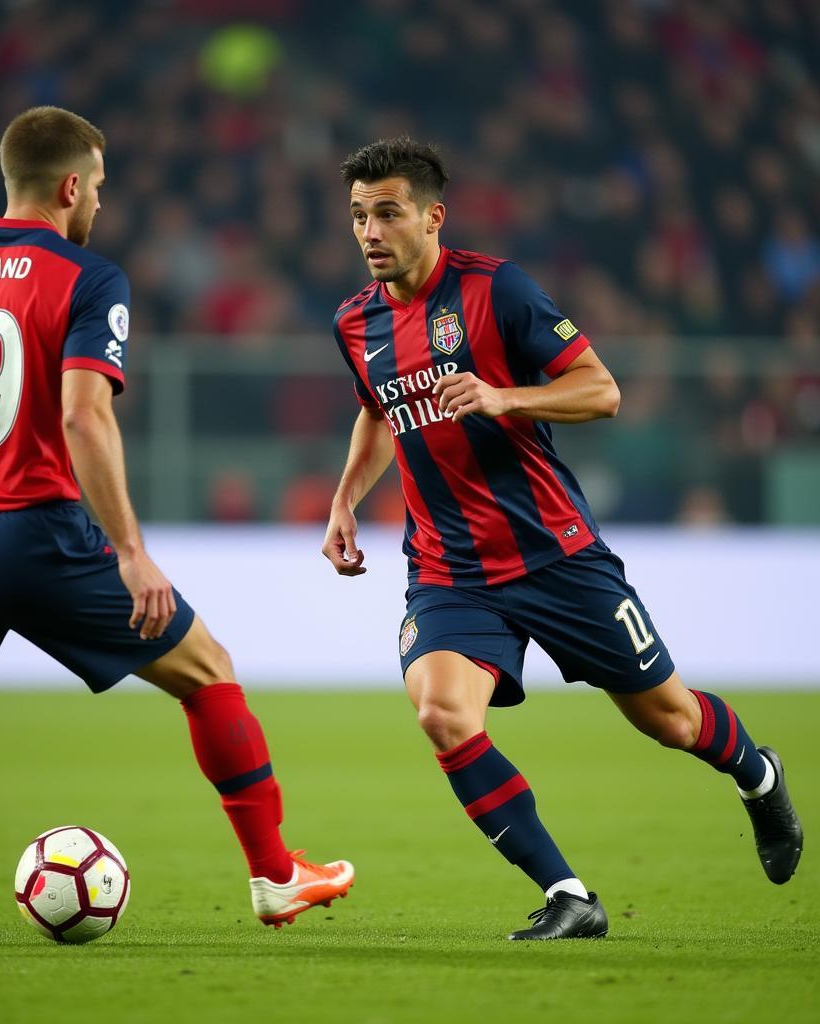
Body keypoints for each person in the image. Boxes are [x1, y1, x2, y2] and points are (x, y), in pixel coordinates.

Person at [0, 106, 353, 960]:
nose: (99, 202)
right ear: (71, 186)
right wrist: (133, 551)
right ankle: (274, 873)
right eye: (97, 187)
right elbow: (83, 415)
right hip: (31, 531)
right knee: (207, 671)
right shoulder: (89, 276)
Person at [322, 136, 801, 941]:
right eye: (360, 216)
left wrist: (505, 398)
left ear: (433, 217)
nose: (371, 231)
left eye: (389, 213)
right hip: (448, 569)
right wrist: (344, 500)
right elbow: (379, 408)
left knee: (672, 721)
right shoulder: (354, 321)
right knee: (442, 713)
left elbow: (601, 391)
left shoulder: (496, 289)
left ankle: (758, 774)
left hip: (555, 554)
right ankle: (569, 895)